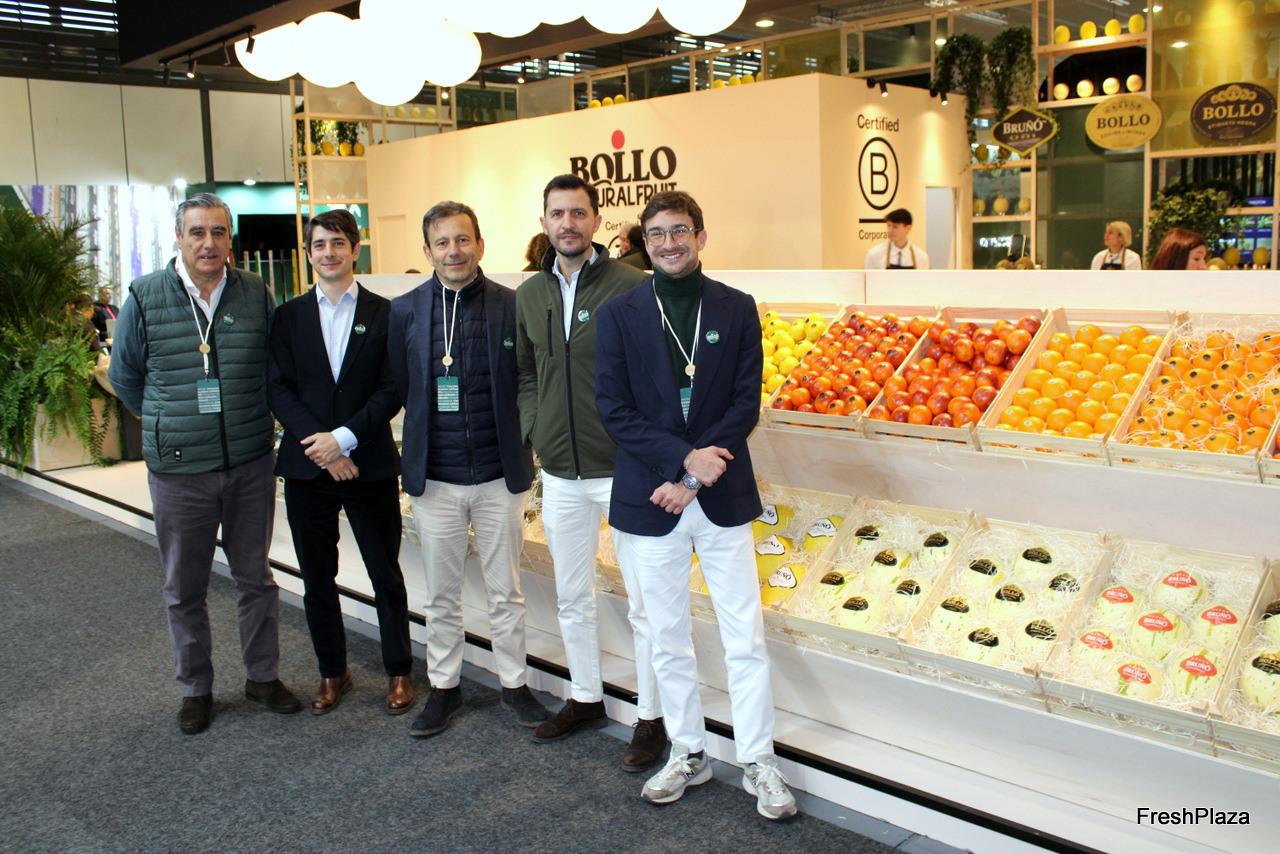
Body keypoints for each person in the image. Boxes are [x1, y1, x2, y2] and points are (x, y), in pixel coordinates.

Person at [594, 190, 797, 820]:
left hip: (718, 495)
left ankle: (758, 759)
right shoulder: (620, 314)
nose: (669, 243)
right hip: (652, 495)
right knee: (666, 636)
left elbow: (743, 404)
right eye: (656, 234)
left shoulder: (736, 307)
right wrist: (683, 464)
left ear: (701, 236)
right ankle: (688, 750)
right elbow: (614, 409)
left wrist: (695, 477)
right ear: (644, 243)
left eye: (680, 231)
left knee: (744, 634)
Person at [108, 192, 301, 735]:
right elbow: (124, 376)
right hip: (179, 471)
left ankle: (263, 676)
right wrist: (167, 421)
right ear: (179, 237)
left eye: (218, 231)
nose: (208, 243)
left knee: (256, 578)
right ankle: (195, 688)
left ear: (229, 238)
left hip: (249, 462)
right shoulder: (145, 296)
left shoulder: (255, 292)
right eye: (197, 232)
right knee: (184, 586)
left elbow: (272, 369)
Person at [515, 174, 664, 771]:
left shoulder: (632, 286)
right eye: (558, 214)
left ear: (597, 221)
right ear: (545, 223)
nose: (568, 224)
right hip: (559, 473)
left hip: (622, 469)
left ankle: (652, 716)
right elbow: (527, 372)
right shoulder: (529, 294)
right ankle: (585, 696)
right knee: (572, 594)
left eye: (578, 213)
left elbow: (654, 373)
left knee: (643, 601)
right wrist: (535, 424)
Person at [388, 200, 549, 737]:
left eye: (463, 240)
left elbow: (531, 378)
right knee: (441, 594)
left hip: (500, 476)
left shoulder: (512, 305)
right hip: (435, 479)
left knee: (507, 591)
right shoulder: (405, 311)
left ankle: (514, 685)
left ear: (480, 245)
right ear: (427, 250)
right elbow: (399, 385)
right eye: (442, 242)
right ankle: (444, 687)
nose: (453, 251)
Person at [267, 209, 414, 717]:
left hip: (367, 463)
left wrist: (344, 440)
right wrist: (323, 448)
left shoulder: (386, 313)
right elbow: (278, 389)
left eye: (337, 243)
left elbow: (393, 388)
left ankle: (399, 670)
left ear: (355, 249)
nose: (328, 252)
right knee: (317, 578)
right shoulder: (288, 317)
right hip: (308, 468)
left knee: (385, 573)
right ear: (308, 253)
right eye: (319, 244)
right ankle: (333, 671)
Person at [864, 207, 929, 270]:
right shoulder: (874, 255)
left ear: (908, 228)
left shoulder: (921, 257)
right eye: (889, 225)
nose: (890, 230)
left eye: (895, 227)